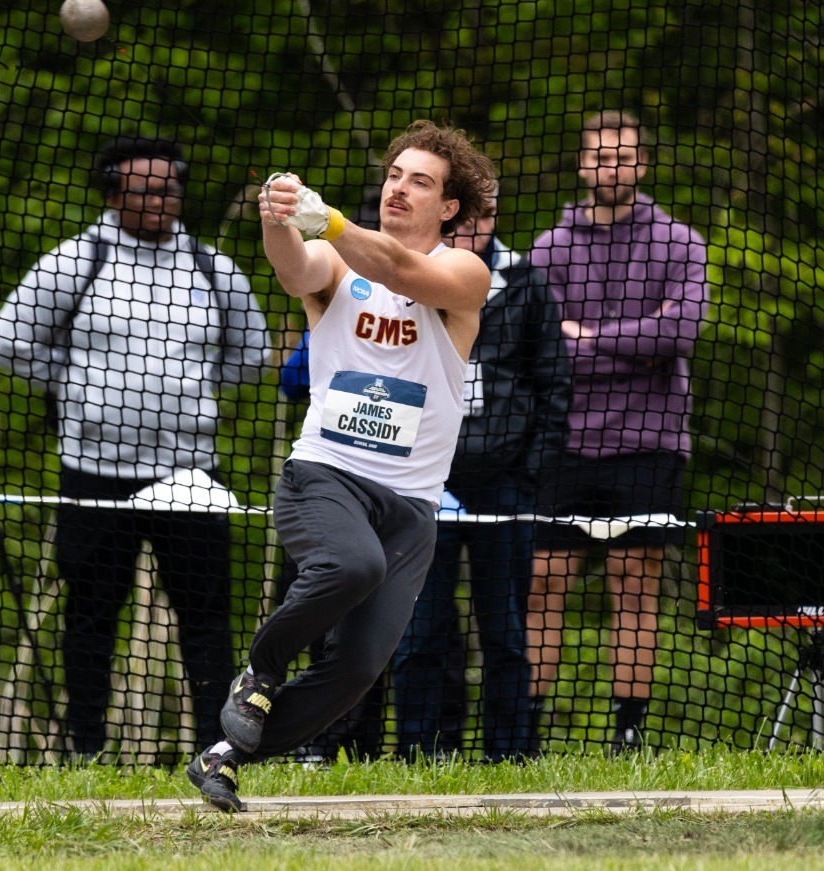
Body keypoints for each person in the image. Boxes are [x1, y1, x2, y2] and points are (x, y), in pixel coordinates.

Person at [187, 120, 494, 811]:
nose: (401, 188)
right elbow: (297, 268)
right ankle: (260, 671)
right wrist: (280, 220)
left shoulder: (464, 273)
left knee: (355, 669)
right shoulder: (339, 264)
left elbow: (403, 271)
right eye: (394, 175)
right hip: (323, 475)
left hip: (411, 506)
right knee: (353, 565)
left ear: (449, 206)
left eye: (421, 181)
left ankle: (226, 752)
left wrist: (325, 218)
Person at [0, 137, 271, 759]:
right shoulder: (73, 262)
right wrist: (78, 389)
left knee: (207, 618)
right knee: (91, 616)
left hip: (189, 473)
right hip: (94, 471)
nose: (160, 199)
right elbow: (10, 340)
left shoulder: (211, 267)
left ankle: (216, 750)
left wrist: (189, 393)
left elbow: (252, 354)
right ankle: (86, 752)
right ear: (112, 191)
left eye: (170, 187)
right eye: (145, 188)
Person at [524, 110, 707, 753]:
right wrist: (636, 342)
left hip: (649, 442)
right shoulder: (548, 249)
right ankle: (527, 733)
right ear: (582, 166)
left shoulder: (680, 243)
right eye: (602, 157)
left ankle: (627, 736)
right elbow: (540, 347)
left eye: (625, 156)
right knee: (543, 581)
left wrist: (591, 339)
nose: (613, 167)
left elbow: (679, 333)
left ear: (643, 164)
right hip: (562, 444)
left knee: (635, 583)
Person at [390, 201, 570, 761]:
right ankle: (420, 752)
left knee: (506, 629)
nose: (476, 223)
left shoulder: (525, 283)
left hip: (504, 485)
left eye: (489, 211)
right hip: (424, 480)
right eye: (466, 212)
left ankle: (511, 753)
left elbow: (553, 382)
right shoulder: (408, 273)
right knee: (421, 627)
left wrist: (528, 471)